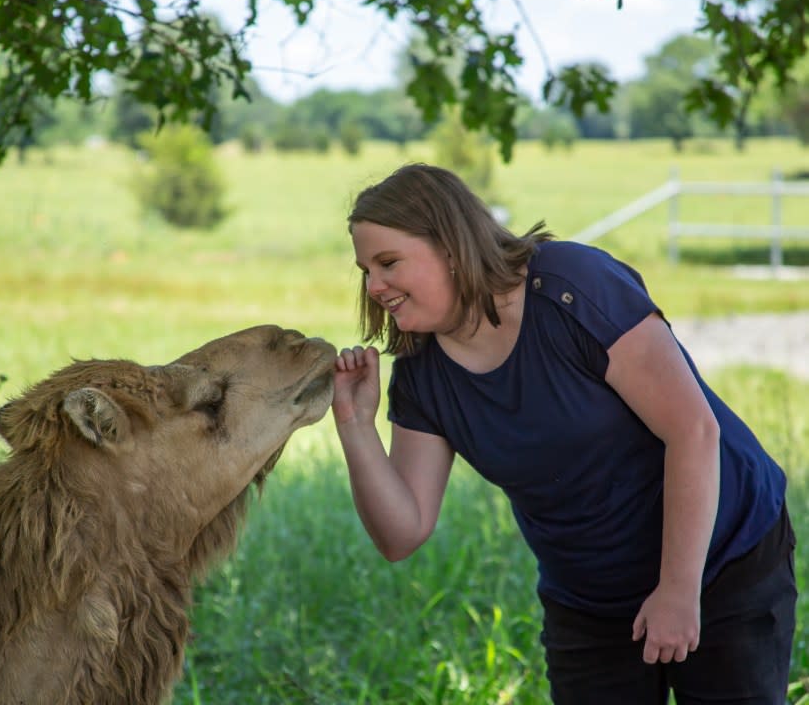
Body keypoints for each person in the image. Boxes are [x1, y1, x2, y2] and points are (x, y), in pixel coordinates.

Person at [332, 163, 796, 704]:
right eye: (366, 269)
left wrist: (677, 590)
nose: (374, 286)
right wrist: (355, 427)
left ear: (451, 247)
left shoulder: (571, 287)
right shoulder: (422, 372)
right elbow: (402, 533)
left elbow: (693, 431)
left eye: (388, 263)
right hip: (589, 600)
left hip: (722, 561)